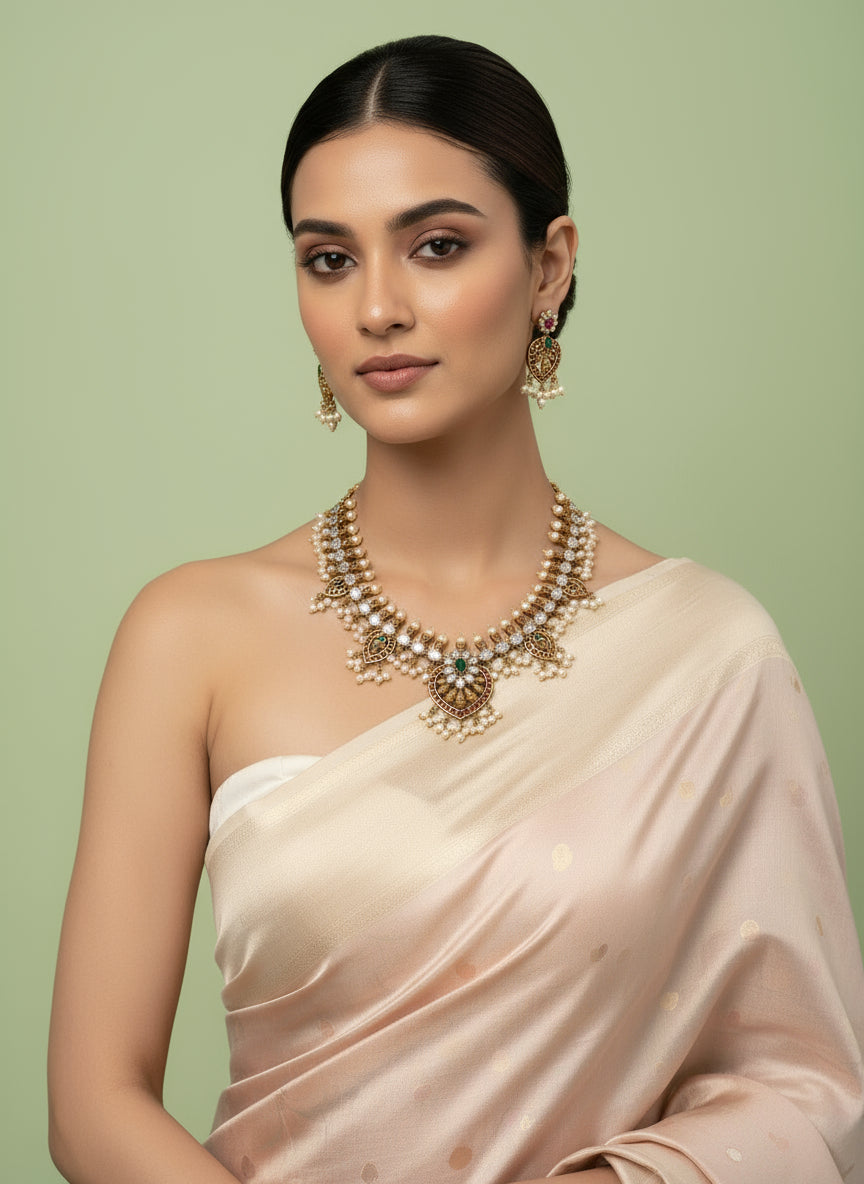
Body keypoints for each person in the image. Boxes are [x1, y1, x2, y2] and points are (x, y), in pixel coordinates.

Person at [47, 34, 863, 1184]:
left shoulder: (709, 653)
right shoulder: (190, 637)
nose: (378, 306)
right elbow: (92, 1105)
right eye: (328, 260)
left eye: (436, 246)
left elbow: (801, 1087)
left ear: (549, 266)